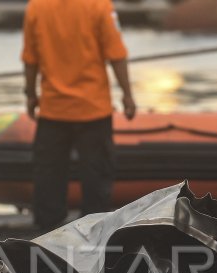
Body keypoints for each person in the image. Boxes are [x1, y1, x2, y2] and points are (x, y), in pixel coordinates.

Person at [22, 0, 136, 231]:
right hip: (93, 110)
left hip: (54, 110)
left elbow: (30, 58)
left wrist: (32, 94)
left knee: (48, 176)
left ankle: (48, 232)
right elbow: (116, 54)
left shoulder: (36, 7)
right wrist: (127, 95)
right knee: (97, 176)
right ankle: (95, 232)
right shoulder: (99, 6)